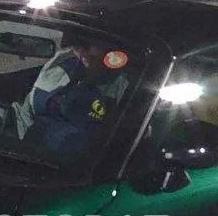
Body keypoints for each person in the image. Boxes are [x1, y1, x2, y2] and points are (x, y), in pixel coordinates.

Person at [13, 31, 130, 160]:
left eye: (96, 46)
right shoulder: (59, 67)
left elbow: (110, 139)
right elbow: (28, 112)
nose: (85, 52)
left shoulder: (122, 87)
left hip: (76, 163)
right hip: (27, 155)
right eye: (83, 46)